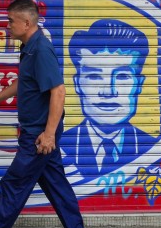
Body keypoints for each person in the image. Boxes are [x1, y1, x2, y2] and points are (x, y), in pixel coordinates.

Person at [0, 0, 91, 228]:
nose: (7, 26)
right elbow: (25, 82)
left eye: (11, 21)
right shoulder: (29, 47)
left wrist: (48, 135)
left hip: (38, 137)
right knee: (58, 189)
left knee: (13, 186)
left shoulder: (40, 49)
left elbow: (58, 91)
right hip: (39, 133)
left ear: (26, 22)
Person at [61, 19, 156, 176]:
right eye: (94, 76)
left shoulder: (154, 150)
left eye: (122, 76)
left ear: (139, 84)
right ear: (77, 84)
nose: (108, 91)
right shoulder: (61, 148)